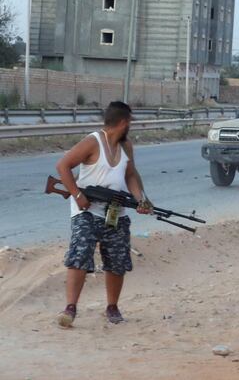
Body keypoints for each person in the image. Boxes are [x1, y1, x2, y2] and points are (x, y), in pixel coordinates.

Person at [54, 101, 152, 328]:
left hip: (116, 211)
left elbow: (131, 175)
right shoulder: (92, 141)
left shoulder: (126, 146)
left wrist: (141, 200)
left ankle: (112, 307)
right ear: (123, 122)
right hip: (86, 211)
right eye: (130, 123)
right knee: (80, 254)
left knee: (117, 260)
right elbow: (63, 166)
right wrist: (77, 195)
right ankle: (70, 308)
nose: (130, 127)